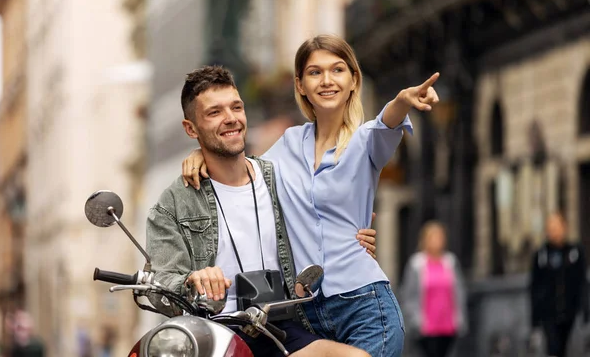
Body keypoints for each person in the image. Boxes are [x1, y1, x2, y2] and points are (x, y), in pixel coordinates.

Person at [182, 34, 440, 356]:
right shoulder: (288, 144)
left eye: (338, 70)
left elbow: (387, 122)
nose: (327, 80)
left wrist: (403, 100)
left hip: (364, 306)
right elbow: (239, 170)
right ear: (300, 84)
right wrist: (200, 154)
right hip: (306, 314)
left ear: (353, 80)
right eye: (315, 72)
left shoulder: (365, 143)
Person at [146, 65, 370, 357]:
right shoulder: (171, 206)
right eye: (214, 113)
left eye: (236, 107)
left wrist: (357, 237)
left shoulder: (281, 178)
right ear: (191, 128)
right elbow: (162, 284)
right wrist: (193, 282)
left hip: (278, 325)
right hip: (214, 335)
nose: (230, 119)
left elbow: (326, 221)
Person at [400, 221, 467, 357]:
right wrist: (415, 320)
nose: (438, 241)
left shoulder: (450, 262)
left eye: (440, 237)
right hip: (426, 328)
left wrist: (460, 319)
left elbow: (459, 292)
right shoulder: (416, 264)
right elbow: (408, 295)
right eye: (433, 237)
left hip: (448, 326)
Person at [529, 212, 589, 357]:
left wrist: (585, 310)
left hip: (572, 312)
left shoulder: (574, 253)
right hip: (548, 313)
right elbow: (534, 287)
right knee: (553, 348)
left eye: (556, 227)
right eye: (550, 228)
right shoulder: (541, 255)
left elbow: (582, 282)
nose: (553, 232)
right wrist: (535, 319)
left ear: (564, 227)